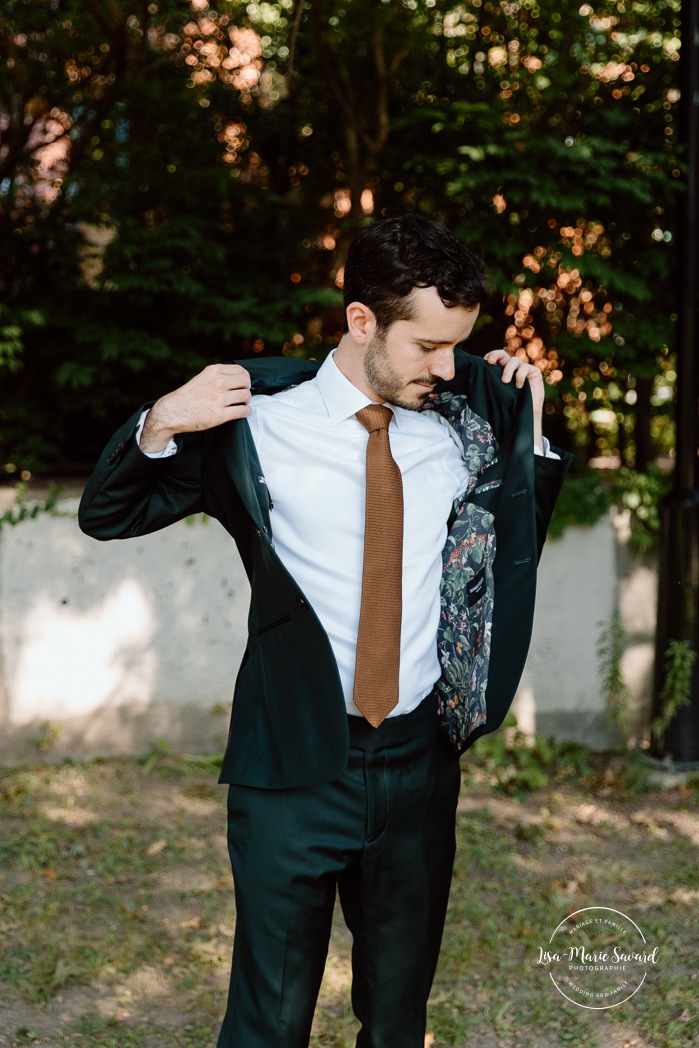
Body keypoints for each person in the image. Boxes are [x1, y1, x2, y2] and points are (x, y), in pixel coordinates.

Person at [79, 214, 569, 1048]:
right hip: (289, 768)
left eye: (457, 346)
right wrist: (160, 418)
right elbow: (110, 513)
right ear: (360, 322)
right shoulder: (254, 426)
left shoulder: (462, 422)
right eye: (425, 346)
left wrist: (530, 420)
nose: (443, 367)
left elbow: (515, 536)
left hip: (418, 765)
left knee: (396, 1014)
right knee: (268, 1018)